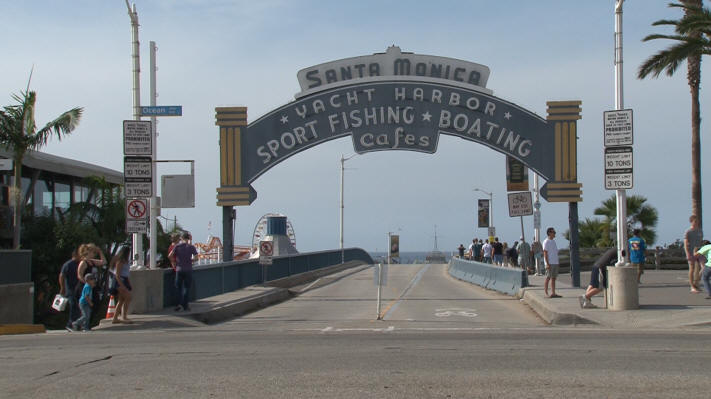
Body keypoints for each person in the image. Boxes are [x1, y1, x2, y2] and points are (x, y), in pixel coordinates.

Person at [169, 231, 198, 311]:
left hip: (179, 269)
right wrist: (191, 260)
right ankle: (185, 306)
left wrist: (174, 262)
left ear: (181, 238)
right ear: (188, 238)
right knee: (186, 288)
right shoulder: (191, 247)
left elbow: (170, 255)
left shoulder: (177, 246)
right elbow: (196, 258)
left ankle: (178, 304)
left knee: (178, 288)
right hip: (188, 270)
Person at [58, 248, 81, 332]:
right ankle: (70, 324)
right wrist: (62, 287)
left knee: (78, 307)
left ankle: (76, 324)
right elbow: (62, 276)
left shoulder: (80, 264)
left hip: (78, 289)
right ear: (75, 255)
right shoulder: (68, 264)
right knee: (73, 306)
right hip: (70, 289)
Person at [109, 247, 133, 324]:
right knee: (128, 297)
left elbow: (127, 273)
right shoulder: (120, 261)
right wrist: (122, 286)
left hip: (125, 279)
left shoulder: (126, 261)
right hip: (119, 281)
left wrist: (129, 283)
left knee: (121, 300)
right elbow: (117, 275)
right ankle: (124, 316)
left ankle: (115, 318)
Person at [684, 215, 704, 293]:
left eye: (697, 221)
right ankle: (692, 286)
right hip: (691, 252)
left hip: (699, 252)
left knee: (704, 267)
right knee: (692, 269)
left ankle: (696, 283)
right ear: (691, 222)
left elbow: (701, 241)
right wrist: (687, 253)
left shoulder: (700, 231)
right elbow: (685, 244)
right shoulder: (688, 231)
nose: (696, 222)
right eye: (695, 221)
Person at [543, 227, 561, 298]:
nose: (554, 233)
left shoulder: (553, 241)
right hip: (550, 263)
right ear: (549, 233)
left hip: (555, 262)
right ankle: (546, 292)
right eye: (553, 232)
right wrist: (547, 263)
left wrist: (557, 261)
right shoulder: (546, 241)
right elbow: (545, 253)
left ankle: (553, 292)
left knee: (554, 278)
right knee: (548, 277)